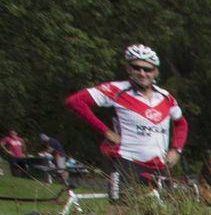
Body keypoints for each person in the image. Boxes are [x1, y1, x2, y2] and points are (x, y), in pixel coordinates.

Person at [64, 44, 186, 200]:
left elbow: (181, 123)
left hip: (158, 166)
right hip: (125, 162)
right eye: (136, 67)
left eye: (147, 69)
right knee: (125, 210)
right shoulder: (116, 90)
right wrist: (106, 132)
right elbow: (75, 102)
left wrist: (176, 149)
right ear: (129, 68)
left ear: (155, 71)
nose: (142, 73)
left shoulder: (165, 97)